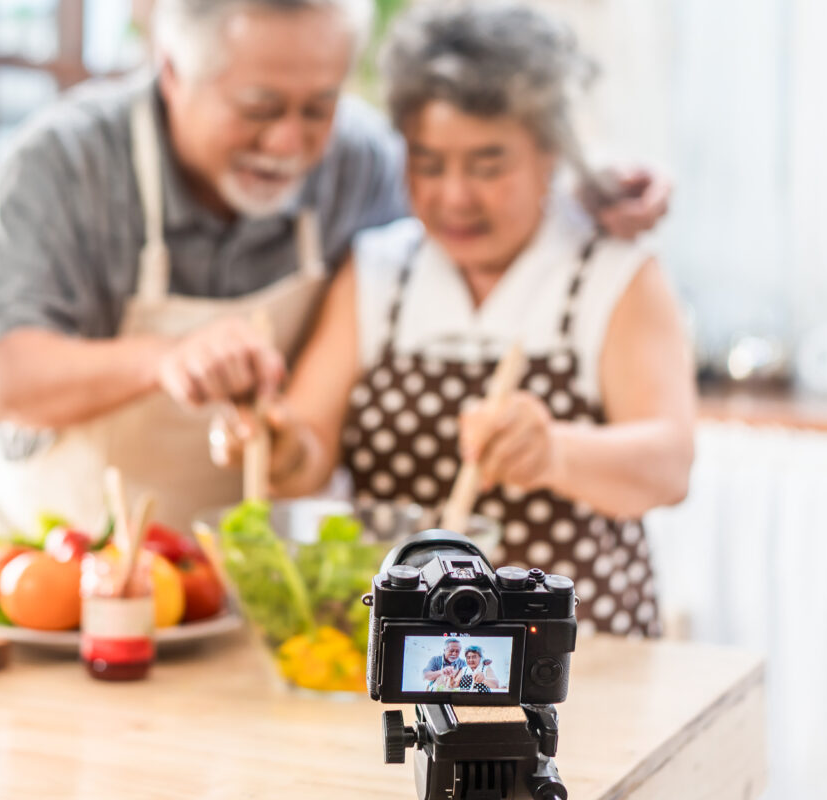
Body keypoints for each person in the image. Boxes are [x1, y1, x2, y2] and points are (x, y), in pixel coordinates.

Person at [0, 0, 672, 536]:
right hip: (57, 566)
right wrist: (164, 360)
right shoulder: (62, 165)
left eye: (318, 107)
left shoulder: (357, 161)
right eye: (259, 107)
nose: (291, 142)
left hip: (241, 594)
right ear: (172, 73)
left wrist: (584, 182)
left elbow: (466, 178)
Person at [211, 1, 695, 638]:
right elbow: (308, 454)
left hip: (577, 654)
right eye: (429, 163)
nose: (455, 196)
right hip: (414, 653)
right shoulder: (380, 270)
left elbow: (670, 465)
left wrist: (553, 453)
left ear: (549, 152)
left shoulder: (612, 274)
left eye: (489, 165)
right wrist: (271, 445)